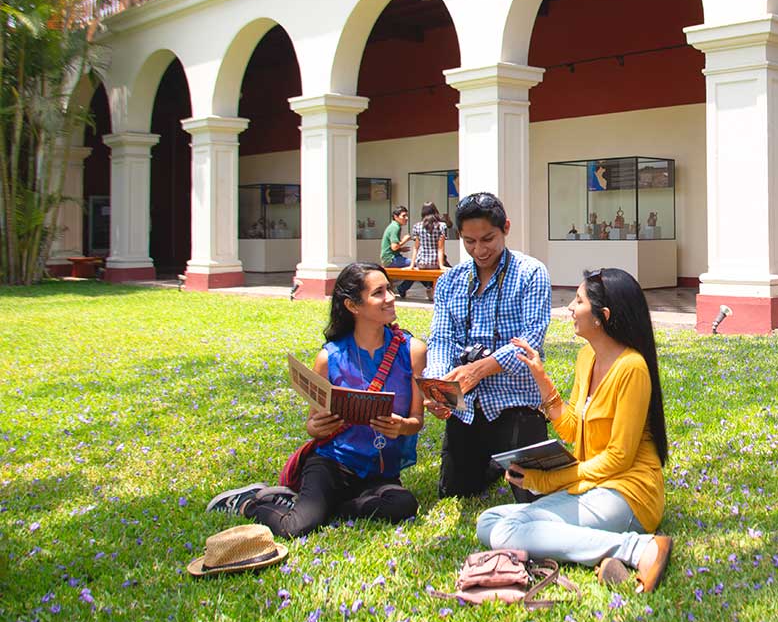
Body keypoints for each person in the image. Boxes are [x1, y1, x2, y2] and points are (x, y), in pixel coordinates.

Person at [475, 268, 672, 593]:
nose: (569, 307)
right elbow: (572, 429)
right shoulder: (586, 357)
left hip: (627, 493)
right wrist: (540, 377)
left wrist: (546, 480)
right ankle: (606, 550)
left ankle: (641, 549)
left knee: (510, 531)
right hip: (589, 485)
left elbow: (619, 459)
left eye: (578, 300)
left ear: (601, 317)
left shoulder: (632, 368)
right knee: (490, 522)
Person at [206, 262, 424, 538]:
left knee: (404, 505)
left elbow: (417, 421)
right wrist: (318, 426)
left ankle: (325, 507)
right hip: (333, 463)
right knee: (296, 526)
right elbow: (313, 425)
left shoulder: (413, 351)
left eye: (389, 289)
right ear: (353, 306)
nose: (391, 297)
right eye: (379, 292)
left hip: (380, 471)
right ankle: (250, 502)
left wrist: (402, 426)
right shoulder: (329, 357)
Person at [423, 191, 551, 503]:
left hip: (515, 402)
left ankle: (506, 456)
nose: (479, 250)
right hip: (467, 410)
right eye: (469, 241)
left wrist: (477, 371)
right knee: (456, 491)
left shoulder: (530, 272)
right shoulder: (450, 280)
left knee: (532, 495)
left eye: (488, 239)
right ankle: (493, 463)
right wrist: (440, 386)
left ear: (506, 227)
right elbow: (440, 338)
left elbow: (530, 338)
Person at [397, 201, 448, 300]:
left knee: (420, 272)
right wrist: (441, 265)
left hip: (421, 263)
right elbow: (440, 248)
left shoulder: (417, 226)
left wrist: (412, 265)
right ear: (435, 211)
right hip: (435, 263)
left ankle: (427, 287)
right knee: (449, 269)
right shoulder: (442, 226)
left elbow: (416, 248)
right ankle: (433, 289)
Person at [380, 206, 412, 272]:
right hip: (391, 259)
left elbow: (392, 248)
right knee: (415, 263)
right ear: (395, 217)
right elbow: (394, 247)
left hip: (389, 259)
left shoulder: (394, 226)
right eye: (404, 216)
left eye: (407, 216)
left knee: (413, 266)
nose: (406, 218)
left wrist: (400, 249)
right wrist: (404, 240)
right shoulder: (395, 227)